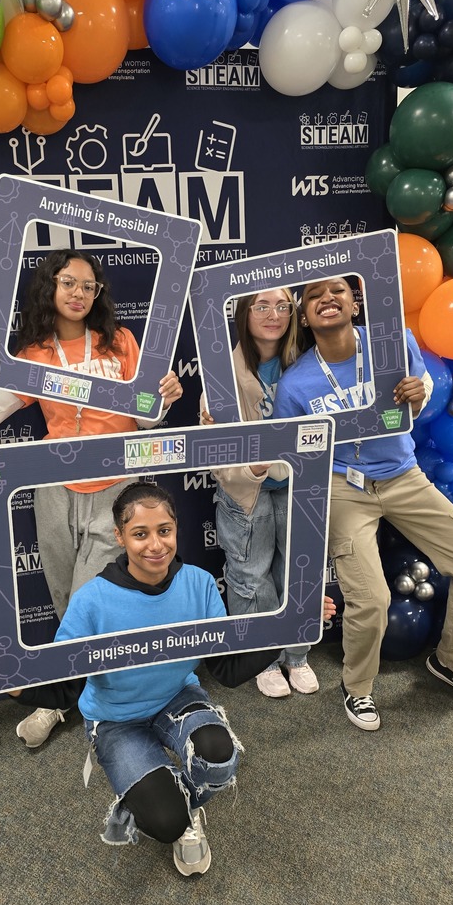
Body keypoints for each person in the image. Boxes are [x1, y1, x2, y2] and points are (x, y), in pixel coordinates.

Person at [0, 481, 291, 876]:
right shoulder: (91, 600)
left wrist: (291, 632)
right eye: (140, 534)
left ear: (176, 530)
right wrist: (17, 684)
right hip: (116, 719)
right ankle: (177, 808)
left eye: (164, 531)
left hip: (176, 697)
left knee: (219, 756)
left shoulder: (199, 584)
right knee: (167, 822)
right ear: (119, 537)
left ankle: (185, 799)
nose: (155, 545)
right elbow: (69, 684)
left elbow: (227, 670)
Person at [0, 250, 183, 749]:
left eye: (88, 286)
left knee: (87, 601)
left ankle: (56, 700)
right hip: (53, 485)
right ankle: (77, 691)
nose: (79, 293)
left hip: (117, 486)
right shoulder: (33, 351)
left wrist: (162, 396)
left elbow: (147, 422)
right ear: (50, 289)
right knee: (62, 598)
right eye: (68, 283)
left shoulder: (120, 341)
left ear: (98, 293)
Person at [272, 275, 453, 730]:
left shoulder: (393, 343)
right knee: (372, 598)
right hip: (345, 486)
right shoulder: (295, 385)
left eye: (336, 291)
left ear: (354, 304)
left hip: (404, 475)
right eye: (314, 295)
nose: (327, 299)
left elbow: (413, 400)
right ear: (303, 316)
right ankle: (357, 688)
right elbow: (289, 459)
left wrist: (419, 395)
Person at [201, 287, 320, 698]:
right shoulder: (223, 370)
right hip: (245, 492)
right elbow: (213, 448)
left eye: (283, 306)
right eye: (262, 305)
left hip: (297, 485)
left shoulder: (308, 363)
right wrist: (250, 467)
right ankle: (264, 657)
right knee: (250, 577)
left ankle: (297, 654)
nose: (273, 314)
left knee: (298, 570)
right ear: (244, 313)